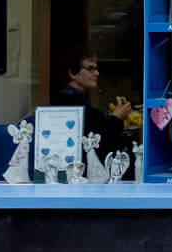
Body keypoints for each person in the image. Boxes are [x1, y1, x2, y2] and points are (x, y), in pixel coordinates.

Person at [49, 44, 136, 180]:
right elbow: (100, 141)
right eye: (90, 69)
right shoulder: (70, 105)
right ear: (73, 73)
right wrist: (116, 118)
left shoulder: (72, 99)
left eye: (96, 68)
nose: (96, 73)